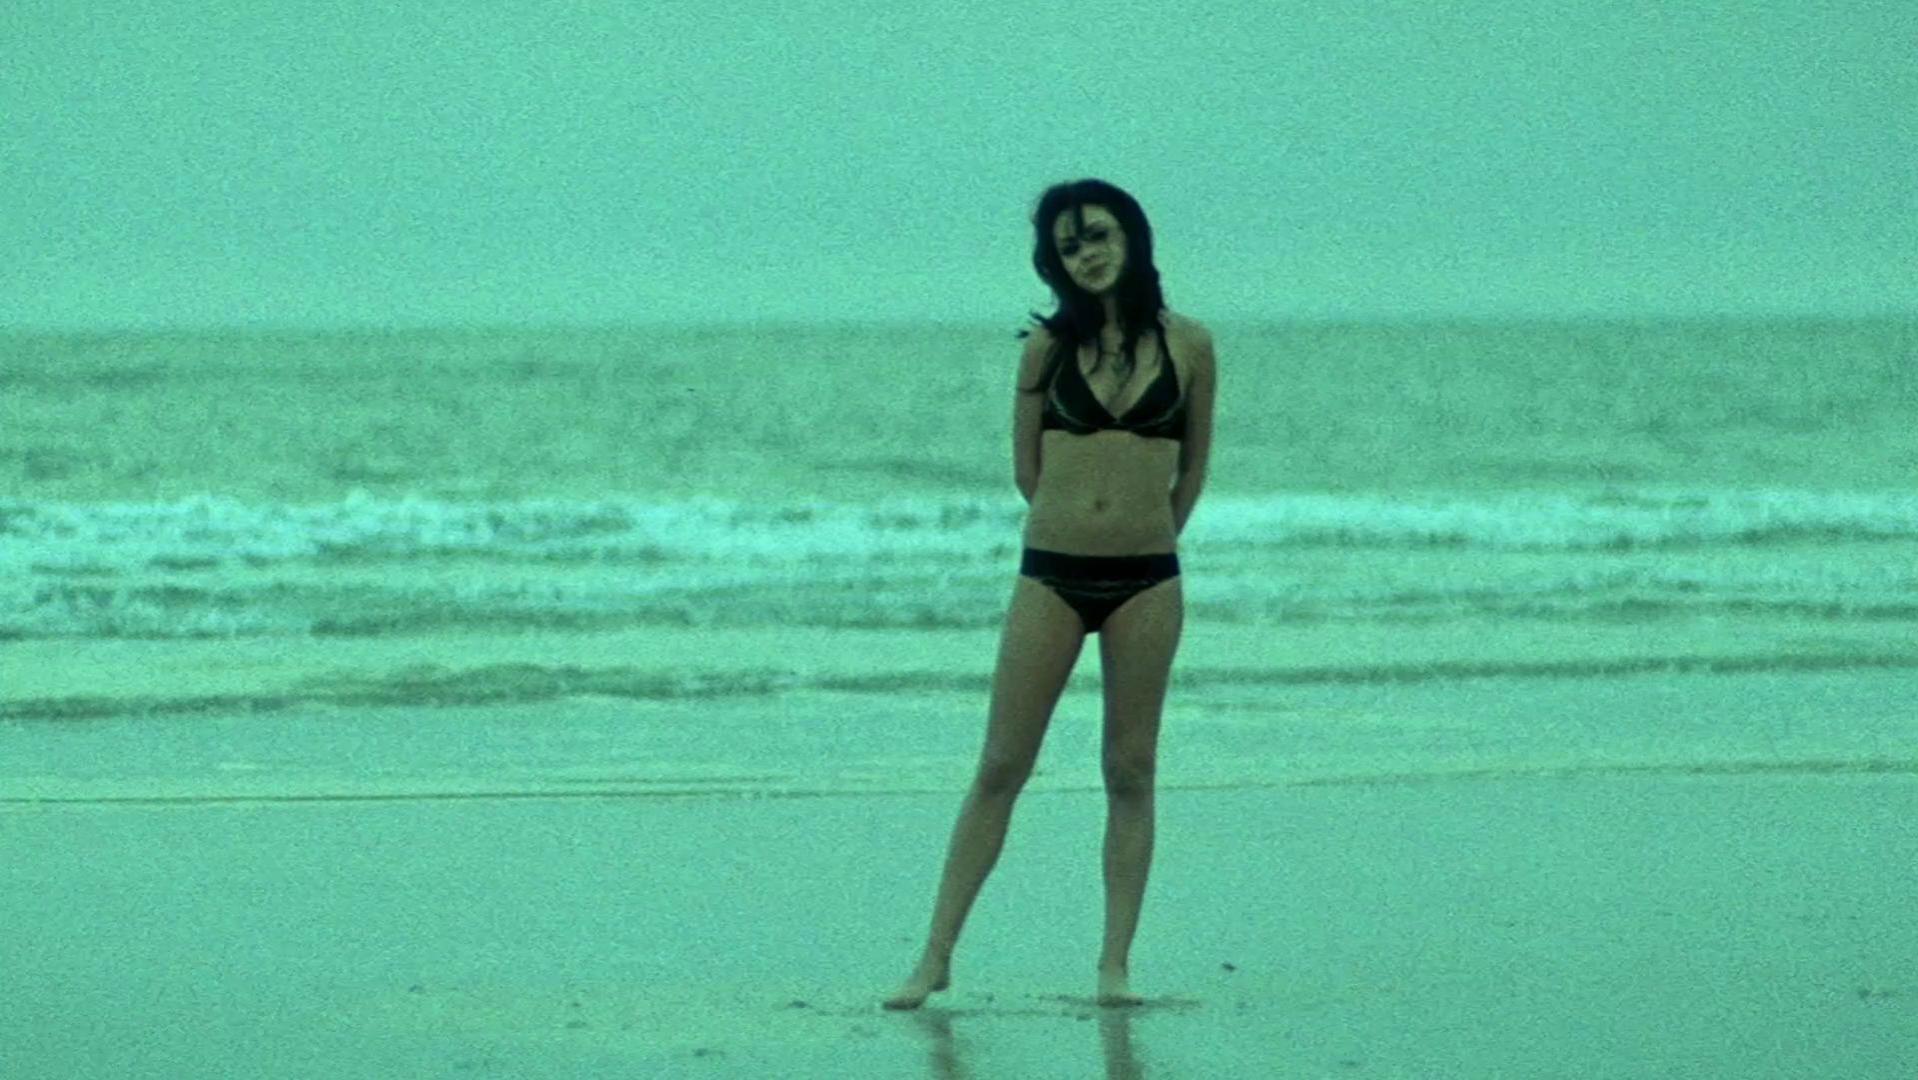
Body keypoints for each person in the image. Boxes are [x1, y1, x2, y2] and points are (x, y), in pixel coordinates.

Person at [883, 179, 1217, 1010]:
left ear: (1131, 235)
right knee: (1001, 765)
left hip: (1147, 581)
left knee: (1130, 770)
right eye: (1069, 247)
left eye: (1098, 235)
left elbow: (1192, 471)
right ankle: (934, 956)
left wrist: (1143, 532)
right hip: (1051, 576)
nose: (1087, 254)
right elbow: (1027, 471)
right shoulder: (1044, 349)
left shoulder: (1192, 345)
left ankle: (1114, 965)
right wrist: (1077, 524)